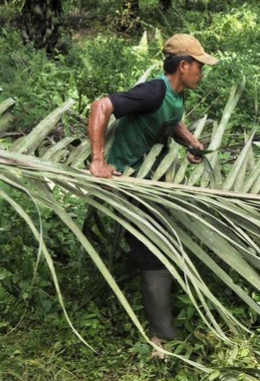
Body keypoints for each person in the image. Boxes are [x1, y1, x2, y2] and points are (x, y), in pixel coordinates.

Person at [86, 33, 217, 348]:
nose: (202, 72)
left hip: (147, 178)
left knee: (162, 238)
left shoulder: (175, 94)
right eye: (199, 66)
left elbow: (170, 121)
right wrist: (99, 161)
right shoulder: (154, 91)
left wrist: (192, 142)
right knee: (152, 249)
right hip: (127, 179)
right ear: (183, 65)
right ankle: (161, 336)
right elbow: (101, 106)